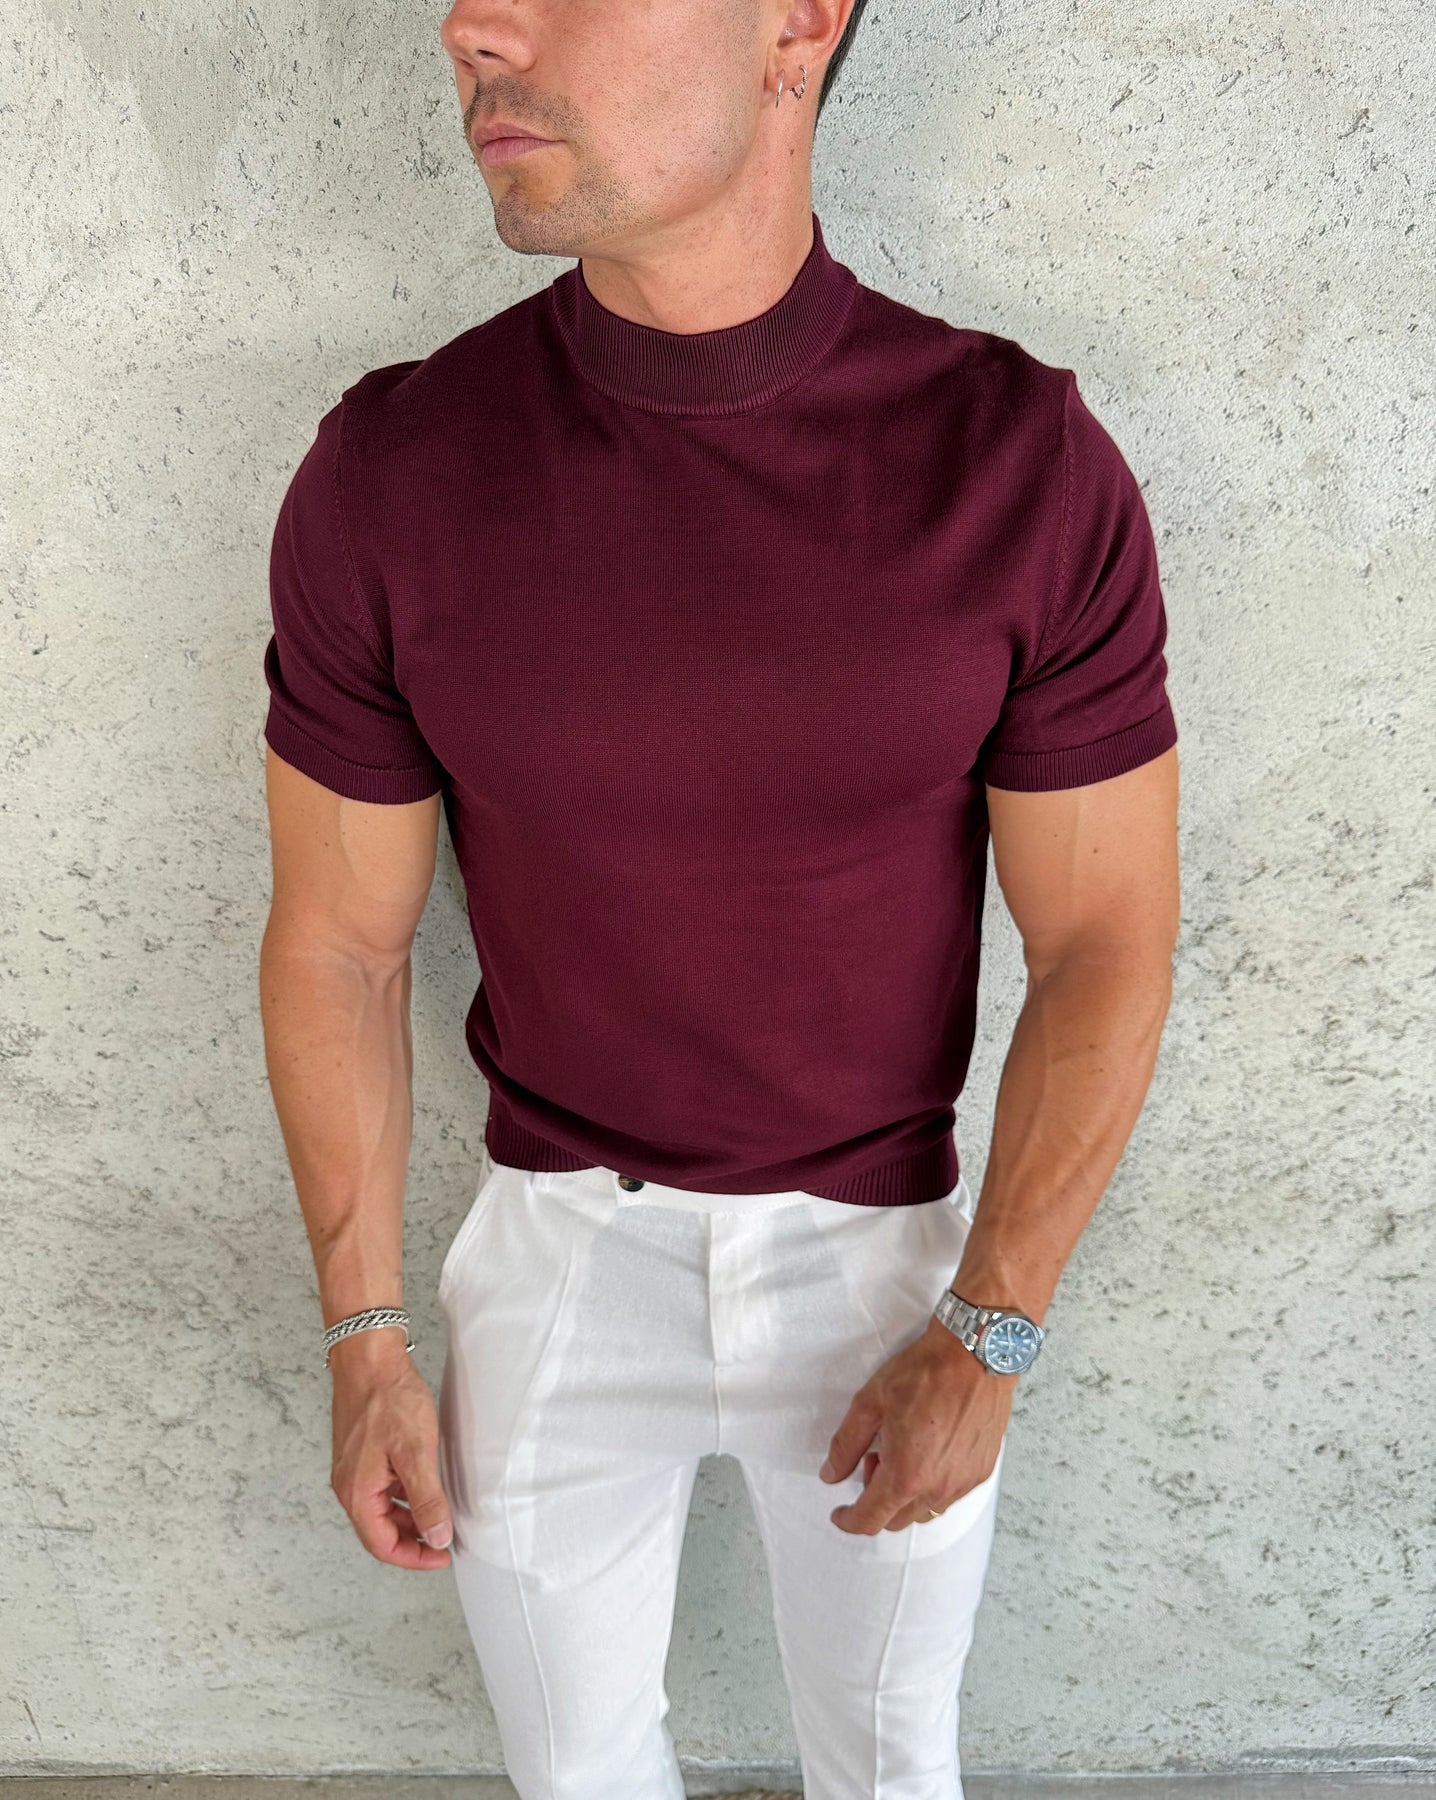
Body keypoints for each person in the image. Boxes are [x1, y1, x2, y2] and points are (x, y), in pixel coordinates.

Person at [257, 0, 1181, 1794]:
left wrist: (991, 1325)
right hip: (555, 1257)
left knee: (890, 1765)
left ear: (793, 27)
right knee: (573, 1775)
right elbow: (340, 945)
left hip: (885, 1270)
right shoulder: (395, 472)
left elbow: (1101, 944)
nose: (471, 27)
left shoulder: (1016, 463)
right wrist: (365, 1336)